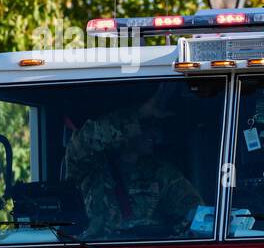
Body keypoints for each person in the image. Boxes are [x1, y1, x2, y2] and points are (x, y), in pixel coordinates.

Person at [62, 85, 201, 238]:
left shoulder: (162, 173)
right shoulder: (87, 164)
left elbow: (197, 214)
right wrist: (140, 114)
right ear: (125, 130)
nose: (155, 135)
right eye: (147, 125)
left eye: (156, 126)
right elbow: (87, 138)